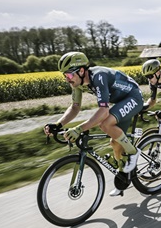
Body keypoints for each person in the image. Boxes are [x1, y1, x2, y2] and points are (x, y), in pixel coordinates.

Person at [44, 52, 144, 196]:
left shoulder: (99, 76)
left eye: (70, 75)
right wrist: (58, 125)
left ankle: (134, 153)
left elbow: (103, 111)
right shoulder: (77, 83)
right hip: (121, 102)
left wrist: (79, 128)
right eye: (65, 76)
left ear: (82, 70)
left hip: (133, 97)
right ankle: (124, 179)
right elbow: (75, 107)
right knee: (115, 144)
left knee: (105, 124)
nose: (68, 80)